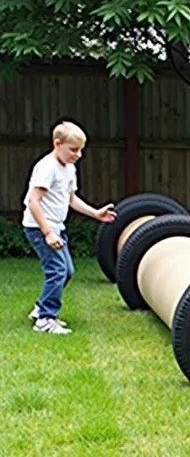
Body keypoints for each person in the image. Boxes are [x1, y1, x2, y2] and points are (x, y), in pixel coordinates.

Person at [22, 121, 117, 335]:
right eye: (73, 149)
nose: (78, 154)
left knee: (67, 271)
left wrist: (96, 213)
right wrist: (47, 233)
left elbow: (71, 199)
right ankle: (45, 318)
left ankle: (41, 308)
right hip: (40, 229)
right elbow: (33, 201)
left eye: (81, 150)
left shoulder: (69, 168)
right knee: (57, 271)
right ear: (57, 144)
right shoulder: (47, 168)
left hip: (56, 228)